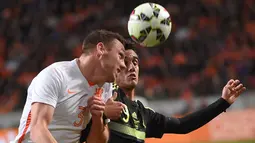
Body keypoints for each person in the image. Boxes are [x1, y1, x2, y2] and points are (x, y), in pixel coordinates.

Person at [80, 48, 246, 143]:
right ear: (115, 68)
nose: (131, 67)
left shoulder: (143, 114)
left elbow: (182, 125)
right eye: (125, 62)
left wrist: (223, 102)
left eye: (136, 63)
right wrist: (101, 112)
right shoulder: (104, 97)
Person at [12, 29, 126, 143]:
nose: (123, 65)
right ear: (101, 49)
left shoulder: (106, 87)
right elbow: (38, 129)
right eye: (120, 56)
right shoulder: (56, 75)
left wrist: (99, 118)